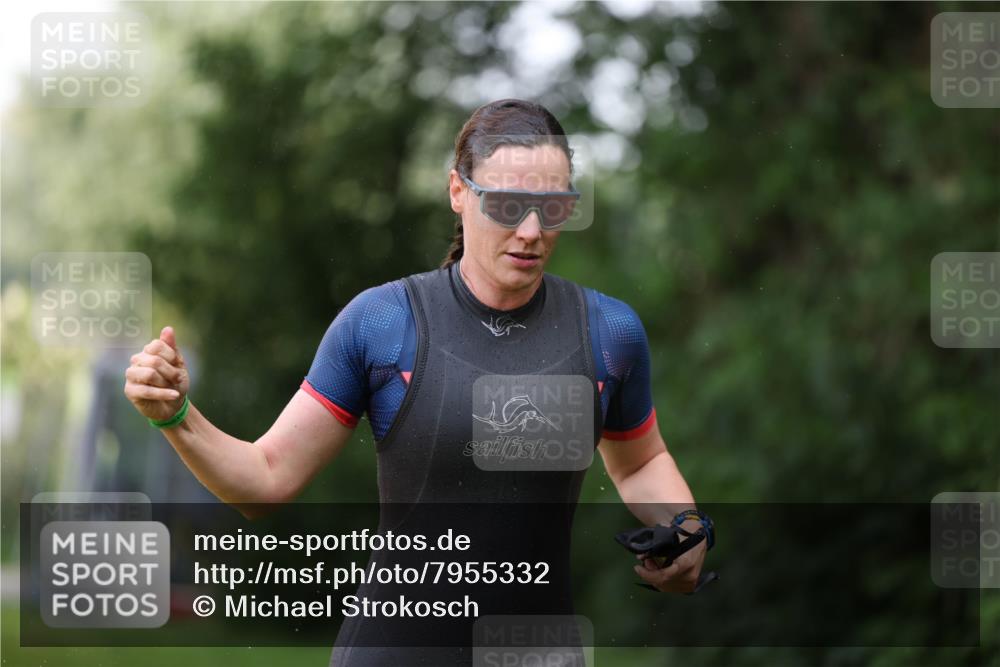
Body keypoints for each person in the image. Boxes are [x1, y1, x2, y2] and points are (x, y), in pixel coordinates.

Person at [124, 98, 711, 666]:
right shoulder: (383, 324)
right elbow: (265, 481)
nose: (532, 230)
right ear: (458, 191)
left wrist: (685, 528)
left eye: (552, 206)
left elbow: (639, 463)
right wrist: (176, 416)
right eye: (508, 204)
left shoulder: (608, 333)